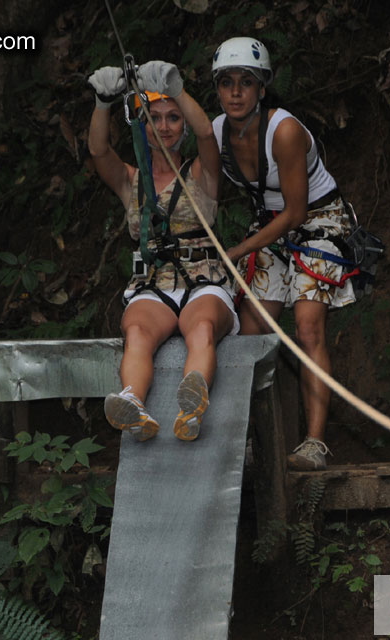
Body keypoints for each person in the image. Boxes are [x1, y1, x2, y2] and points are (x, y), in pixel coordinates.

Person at [211, 37, 360, 470]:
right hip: (269, 227)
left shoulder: (285, 130)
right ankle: (247, 439)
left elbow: (296, 212)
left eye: (246, 82)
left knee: (308, 326)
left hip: (318, 221)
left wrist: (239, 249)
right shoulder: (217, 132)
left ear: (262, 88)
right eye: (226, 83)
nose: (235, 92)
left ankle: (314, 444)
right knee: (251, 329)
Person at [88, 61, 237, 442]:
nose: (164, 126)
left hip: (203, 278)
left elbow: (207, 132)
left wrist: (177, 89)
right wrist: (103, 103)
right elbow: (99, 150)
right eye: (155, 118)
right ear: (142, 124)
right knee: (137, 331)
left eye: (173, 117)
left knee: (201, 327)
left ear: (182, 125)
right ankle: (133, 404)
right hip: (153, 282)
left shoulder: (202, 173)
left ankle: (192, 404)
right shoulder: (131, 180)